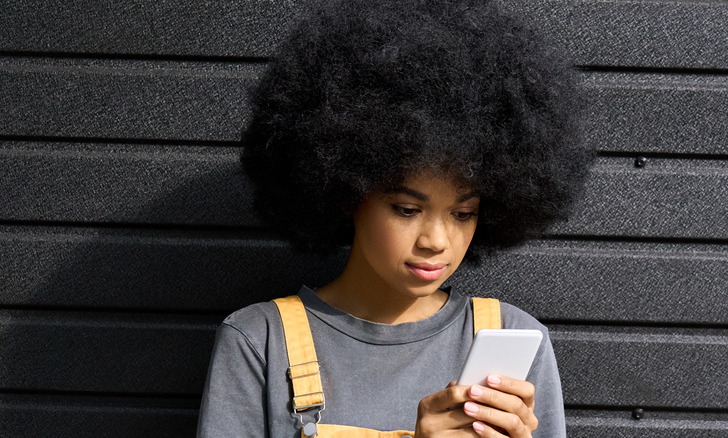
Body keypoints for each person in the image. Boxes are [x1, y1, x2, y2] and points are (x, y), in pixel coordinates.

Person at [197, 0, 590, 436]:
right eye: (407, 209)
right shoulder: (260, 341)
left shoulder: (516, 339)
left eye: (463, 213)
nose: (437, 240)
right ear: (347, 192)